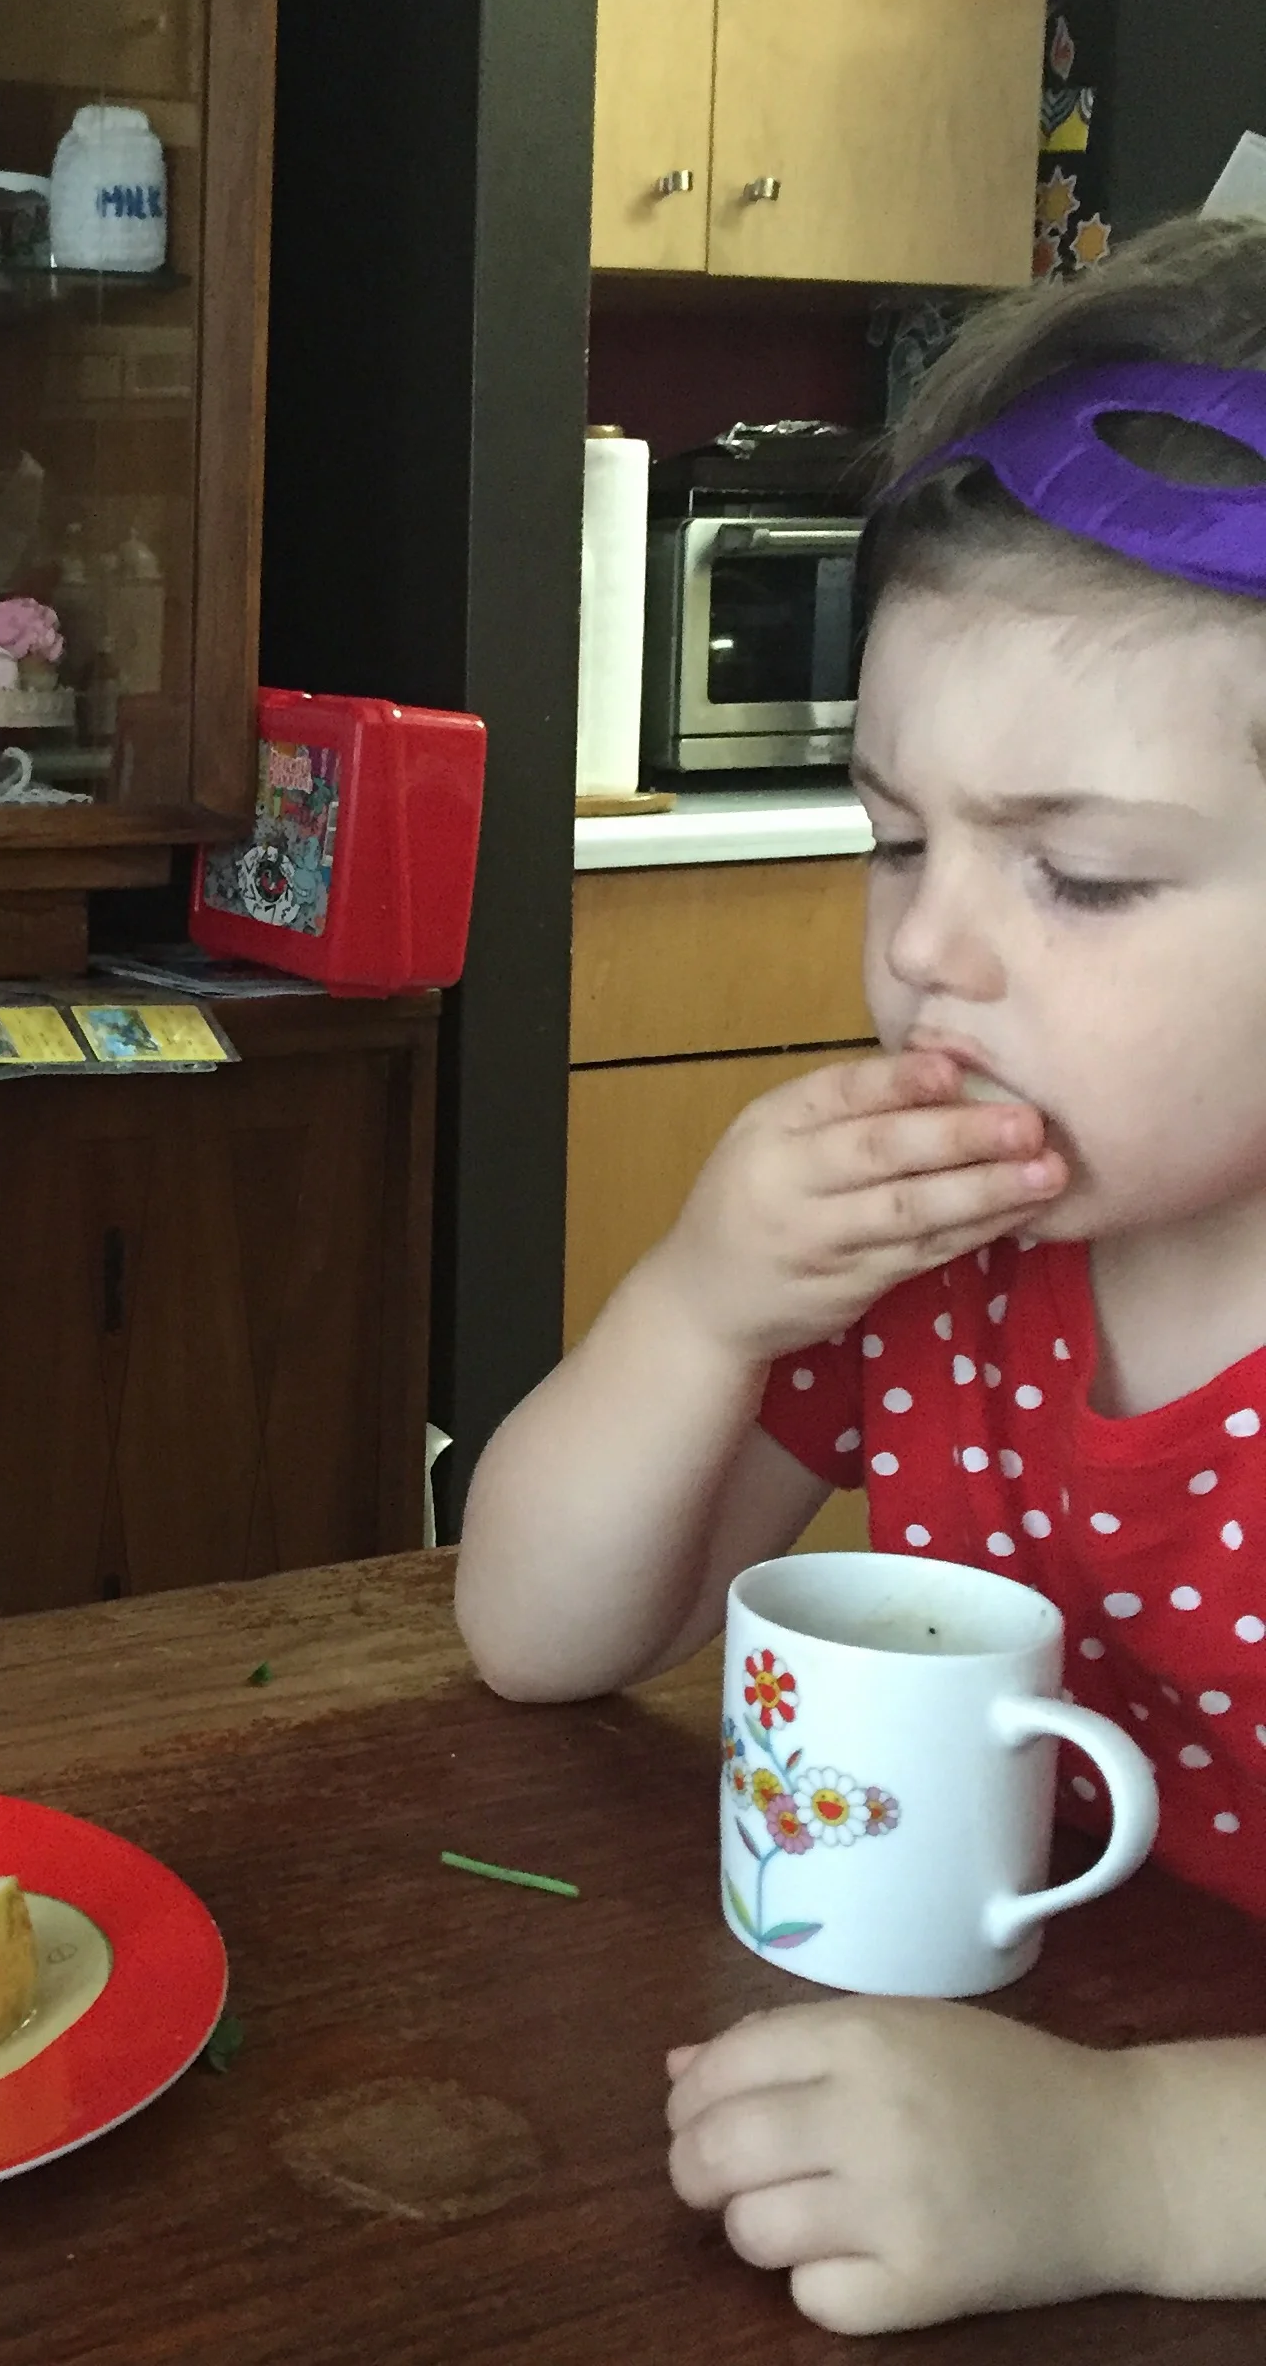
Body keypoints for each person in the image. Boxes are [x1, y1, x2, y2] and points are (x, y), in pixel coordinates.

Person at [457, 214, 1266, 2338]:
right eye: (898, 839)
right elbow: (541, 1639)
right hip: (983, 2066)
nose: (925, 949)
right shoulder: (949, 1260)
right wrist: (699, 1305)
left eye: (1080, 874)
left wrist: (1137, 2163)